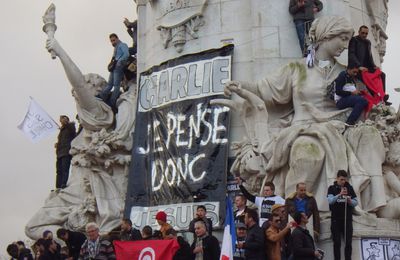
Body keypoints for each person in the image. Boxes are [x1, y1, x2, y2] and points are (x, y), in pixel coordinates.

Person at [223, 16, 386, 216]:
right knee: (307, 153)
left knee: (369, 134)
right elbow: (262, 89)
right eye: (342, 38)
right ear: (327, 35)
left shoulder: (345, 72)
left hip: (339, 126)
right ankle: (294, 216)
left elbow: (360, 101)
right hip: (304, 129)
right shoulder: (297, 69)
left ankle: (374, 207)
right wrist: (240, 86)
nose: (345, 45)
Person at [348, 25, 389, 104]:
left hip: (366, 67)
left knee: (382, 74)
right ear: (359, 32)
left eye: (366, 33)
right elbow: (351, 54)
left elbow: (369, 56)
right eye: (362, 33)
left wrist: (374, 66)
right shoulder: (354, 40)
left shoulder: (368, 42)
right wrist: (359, 66)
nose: (364, 35)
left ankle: (383, 96)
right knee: (367, 78)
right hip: (356, 67)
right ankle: (377, 97)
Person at [327, 170, 358, 260]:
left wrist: (349, 201)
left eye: (344, 180)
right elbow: (330, 201)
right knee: (337, 242)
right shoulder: (331, 188)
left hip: (347, 219)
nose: (343, 182)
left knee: (348, 242)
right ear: (337, 178)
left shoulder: (349, 188)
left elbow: (355, 202)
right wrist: (339, 194)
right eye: (341, 179)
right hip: (336, 219)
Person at [98, 33, 129, 110]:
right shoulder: (116, 48)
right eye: (111, 41)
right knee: (109, 84)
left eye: (114, 40)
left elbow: (126, 54)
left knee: (116, 85)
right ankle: (102, 96)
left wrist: (119, 62)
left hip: (119, 67)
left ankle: (112, 102)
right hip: (114, 67)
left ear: (117, 39)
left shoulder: (122, 45)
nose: (113, 42)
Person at [55, 115, 76, 189]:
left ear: (67, 119)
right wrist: (57, 144)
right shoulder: (61, 130)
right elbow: (62, 141)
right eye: (61, 119)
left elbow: (73, 133)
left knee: (65, 169)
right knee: (59, 171)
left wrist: (67, 124)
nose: (62, 120)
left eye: (63, 119)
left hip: (66, 152)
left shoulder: (71, 126)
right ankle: (58, 186)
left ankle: (63, 183)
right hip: (59, 153)